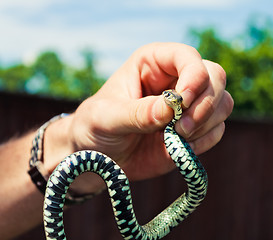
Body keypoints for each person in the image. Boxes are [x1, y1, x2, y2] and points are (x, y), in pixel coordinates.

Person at [0, 42, 233, 239]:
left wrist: (68, 142)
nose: (168, 97)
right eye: (166, 96)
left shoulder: (172, 131)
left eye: (172, 97)